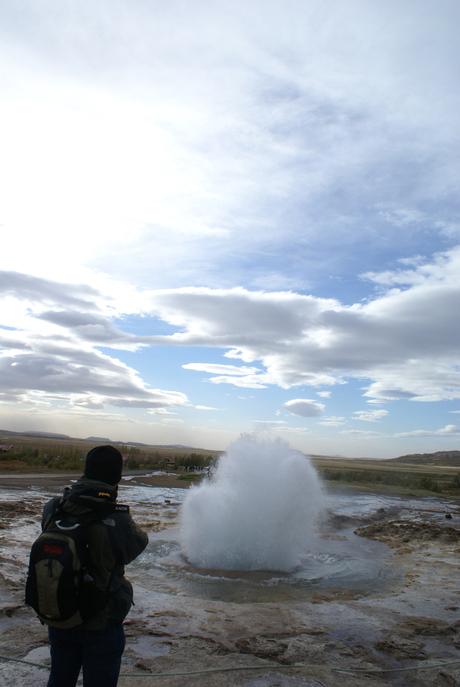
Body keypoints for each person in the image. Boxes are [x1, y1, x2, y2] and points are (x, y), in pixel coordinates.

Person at [41, 445, 148, 687]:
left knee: (59, 680)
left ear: (86, 470)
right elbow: (138, 545)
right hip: (101, 621)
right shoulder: (116, 519)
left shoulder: (53, 509)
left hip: (61, 614)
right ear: (116, 478)